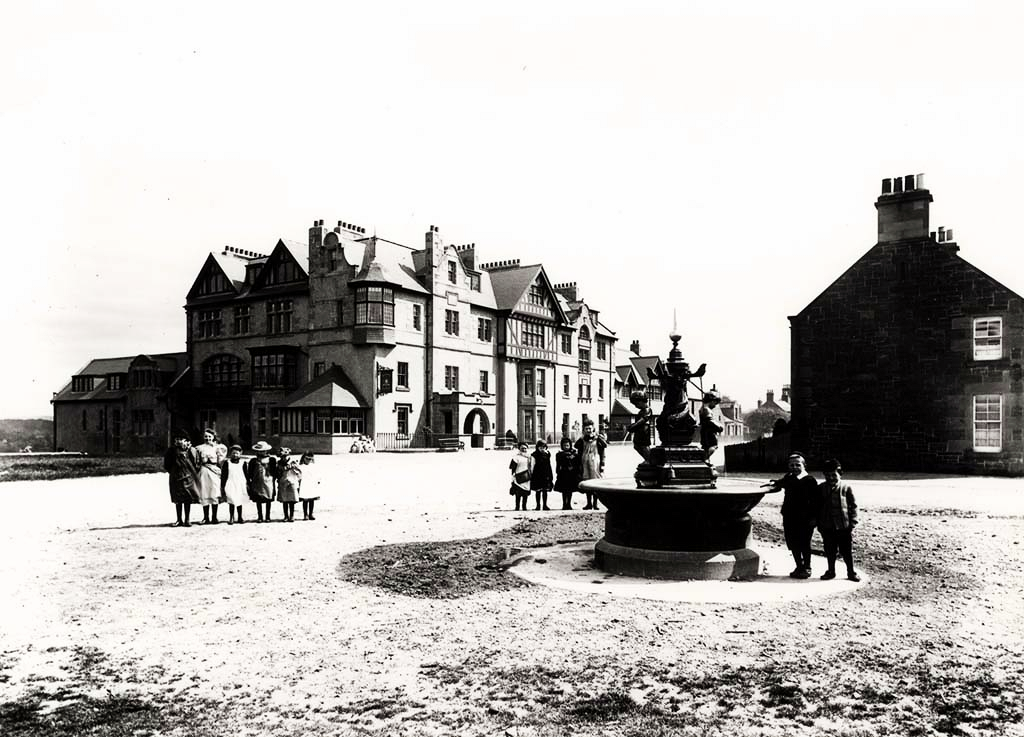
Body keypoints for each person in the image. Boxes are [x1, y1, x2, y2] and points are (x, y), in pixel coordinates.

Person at [768, 452, 818, 578]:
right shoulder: (789, 477)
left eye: (797, 465)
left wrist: (814, 518)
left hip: (805, 518)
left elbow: (816, 502)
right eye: (791, 465)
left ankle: (807, 567)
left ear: (804, 465)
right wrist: (775, 483)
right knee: (792, 542)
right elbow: (782, 482)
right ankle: (798, 566)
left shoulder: (810, 480)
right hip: (790, 516)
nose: (794, 467)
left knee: (804, 543)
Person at [817, 458, 860, 582]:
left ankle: (851, 572)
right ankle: (831, 571)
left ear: (840, 473)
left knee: (846, 551)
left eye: (834, 475)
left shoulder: (846, 488)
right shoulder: (821, 488)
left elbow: (853, 505)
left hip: (843, 526)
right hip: (827, 526)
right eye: (827, 475)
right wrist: (819, 523)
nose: (831, 478)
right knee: (830, 550)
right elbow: (817, 506)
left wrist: (853, 522)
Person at [163, 429, 199, 527]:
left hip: (188, 476)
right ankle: (179, 519)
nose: (179, 441)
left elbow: (195, 463)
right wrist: (174, 471)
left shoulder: (191, 450)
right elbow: (167, 465)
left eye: (181, 439)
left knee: (188, 497)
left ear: (186, 440)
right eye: (177, 439)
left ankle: (187, 519)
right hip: (176, 477)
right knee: (178, 498)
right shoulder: (171, 451)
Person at [194, 428, 226, 524]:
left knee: (214, 492)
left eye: (209, 436)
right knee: (205, 492)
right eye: (206, 436)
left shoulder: (218, 447)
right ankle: (206, 517)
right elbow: (196, 460)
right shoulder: (199, 448)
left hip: (214, 471)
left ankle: (214, 517)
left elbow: (220, 461)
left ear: (213, 437)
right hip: (204, 471)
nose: (208, 438)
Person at [574, 419, 607, 510]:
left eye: (590, 428)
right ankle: (589, 503)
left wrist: (602, 465)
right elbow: (576, 446)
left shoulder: (598, 439)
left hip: (595, 461)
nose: (588, 430)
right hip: (585, 461)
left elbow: (604, 447)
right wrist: (582, 437)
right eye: (586, 429)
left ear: (593, 429)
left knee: (595, 482)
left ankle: (595, 504)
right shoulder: (582, 440)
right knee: (587, 482)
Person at [246, 441, 277, 522]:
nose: (262, 452)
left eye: (263, 451)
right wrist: (249, 481)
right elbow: (250, 472)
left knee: (268, 499)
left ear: (266, 451)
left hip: (268, 481)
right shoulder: (253, 461)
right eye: (260, 451)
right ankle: (260, 516)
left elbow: (275, 472)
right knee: (258, 499)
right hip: (257, 482)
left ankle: (268, 516)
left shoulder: (271, 460)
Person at [220, 444, 247, 524]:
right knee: (231, 500)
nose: (235, 455)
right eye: (233, 453)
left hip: (240, 483)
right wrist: (222, 486)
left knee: (239, 500)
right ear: (230, 454)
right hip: (230, 483)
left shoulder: (243, 463)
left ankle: (240, 517)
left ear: (240, 453)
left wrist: (247, 484)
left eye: (237, 453)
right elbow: (224, 475)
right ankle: (231, 517)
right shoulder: (227, 463)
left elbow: (246, 474)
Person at [626, 391, 654, 463]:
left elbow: (643, 420)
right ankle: (647, 459)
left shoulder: (647, 410)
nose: (636, 406)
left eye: (637, 403)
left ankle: (649, 459)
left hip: (644, 431)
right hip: (640, 430)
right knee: (637, 445)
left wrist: (634, 426)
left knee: (643, 445)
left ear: (642, 401)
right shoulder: (641, 411)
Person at [554, 437, 580, 510]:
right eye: (564, 445)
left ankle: (569, 503)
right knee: (564, 490)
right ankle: (564, 504)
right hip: (563, 473)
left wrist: (575, 470)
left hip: (571, 474)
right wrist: (557, 472)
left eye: (567, 445)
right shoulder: (559, 454)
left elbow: (577, 463)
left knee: (570, 490)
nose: (566, 447)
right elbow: (558, 464)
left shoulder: (574, 454)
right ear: (562, 446)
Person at [699, 390, 725, 463]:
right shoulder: (706, 410)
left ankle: (705, 460)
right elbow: (709, 421)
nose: (715, 405)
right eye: (715, 402)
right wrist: (719, 427)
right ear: (711, 401)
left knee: (706, 447)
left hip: (705, 432)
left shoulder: (703, 409)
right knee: (713, 446)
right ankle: (705, 459)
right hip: (709, 433)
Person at [276, 447, 301, 522]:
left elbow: (299, 472)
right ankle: (286, 516)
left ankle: (292, 515)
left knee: (292, 500)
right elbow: (278, 473)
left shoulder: (293, 462)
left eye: (285, 456)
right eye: (282, 457)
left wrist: (294, 469)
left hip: (292, 482)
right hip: (283, 482)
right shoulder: (279, 463)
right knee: (285, 500)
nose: (284, 458)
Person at [529, 440, 553, 511]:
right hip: (537, 474)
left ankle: (545, 505)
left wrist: (550, 474)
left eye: (544, 447)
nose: (542, 449)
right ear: (537, 447)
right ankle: (538, 505)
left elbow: (549, 464)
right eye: (540, 447)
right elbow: (532, 465)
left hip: (545, 474)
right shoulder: (534, 455)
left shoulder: (547, 454)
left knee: (545, 490)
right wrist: (532, 473)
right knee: (538, 490)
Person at [508, 442, 532, 511]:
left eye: (525, 448)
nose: (524, 450)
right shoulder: (516, 457)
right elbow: (512, 468)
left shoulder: (529, 457)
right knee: (518, 493)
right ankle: (517, 506)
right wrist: (513, 476)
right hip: (518, 477)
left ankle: (524, 506)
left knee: (525, 493)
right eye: (522, 448)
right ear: (519, 449)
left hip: (527, 477)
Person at [299, 452, 319, 520]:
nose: (308, 461)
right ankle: (305, 514)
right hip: (304, 484)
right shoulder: (301, 466)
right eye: (307, 459)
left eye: (310, 459)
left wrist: (318, 480)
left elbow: (316, 474)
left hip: (311, 484)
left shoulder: (313, 466)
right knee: (305, 499)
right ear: (303, 458)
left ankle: (311, 514)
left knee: (311, 499)